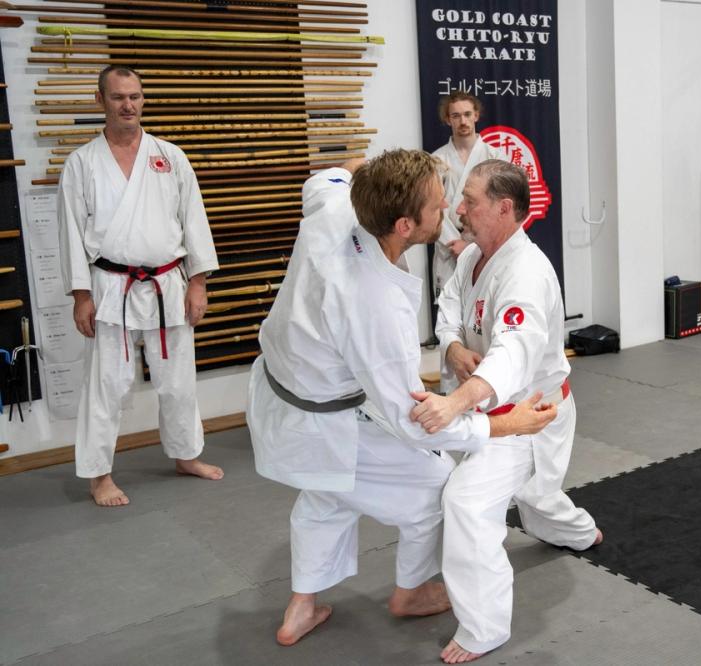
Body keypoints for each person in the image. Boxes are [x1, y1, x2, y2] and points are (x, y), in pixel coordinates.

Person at [246, 149, 558, 648]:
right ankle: (411, 590)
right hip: (325, 417)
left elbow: (327, 177)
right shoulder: (374, 307)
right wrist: (503, 426)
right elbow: (414, 421)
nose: (450, 210)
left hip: (287, 395)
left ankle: (302, 606)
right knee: (435, 483)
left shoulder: (341, 205)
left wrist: (360, 168)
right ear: (405, 224)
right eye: (438, 206)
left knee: (327, 494)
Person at [411, 160, 601, 663]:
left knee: (469, 503)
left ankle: (484, 629)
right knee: (536, 501)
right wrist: (451, 349)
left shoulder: (526, 274)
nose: (459, 208)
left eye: (470, 200)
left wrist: (455, 399)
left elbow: (511, 353)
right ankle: (583, 531)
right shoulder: (474, 253)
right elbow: (448, 306)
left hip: (530, 416)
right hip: (492, 413)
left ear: (505, 208)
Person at [58, 65, 222, 508]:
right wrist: (81, 296)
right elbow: (71, 233)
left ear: (143, 99)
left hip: (169, 282)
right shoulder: (82, 163)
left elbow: (194, 221)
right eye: (117, 97)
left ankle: (186, 455)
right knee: (107, 384)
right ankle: (99, 475)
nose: (127, 105)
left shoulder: (170, 155)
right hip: (111, 286)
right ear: (100, 101)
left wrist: (198, 283)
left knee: (178, 380)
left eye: (134, 96)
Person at [430, 92, 505, 301]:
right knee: (451, 309)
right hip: (449, 244)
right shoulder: (436, 159)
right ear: (447, 119)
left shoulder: (495, 156)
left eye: (467, 114)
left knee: (485, 303)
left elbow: (501, 204)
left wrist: (471, 245)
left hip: (484, 241)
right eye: (455, 116)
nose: (462, 121)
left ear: (476, 116)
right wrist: (455, 242)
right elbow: (432, 206)